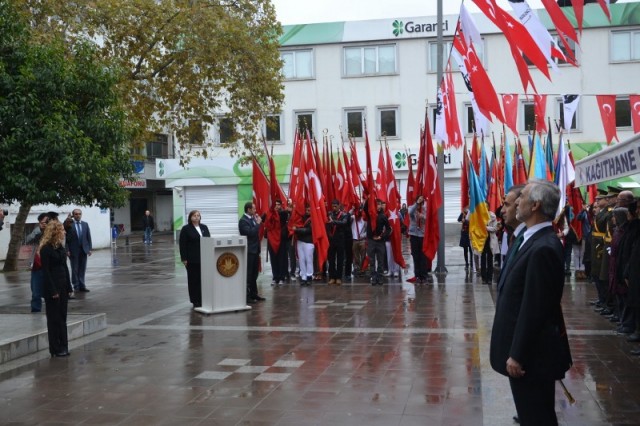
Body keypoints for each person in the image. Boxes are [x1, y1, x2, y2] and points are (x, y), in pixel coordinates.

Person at [490, 179, 572, 426]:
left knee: (537, 417)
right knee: (530, 414)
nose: (517, 202)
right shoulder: (528, 237)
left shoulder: (544, 247)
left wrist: (517, 354)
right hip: (526, 354)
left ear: (535, 204)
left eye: (522, 196)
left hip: (531, 358)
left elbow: (535, 308)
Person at [40, 221, 73, 358]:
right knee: (54, 319)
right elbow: (46, 272)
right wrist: (53, 290)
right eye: (62, 230)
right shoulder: (46, 249)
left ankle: (64, 345)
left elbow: (65, 267)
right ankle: (55, 348)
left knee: (62, 317)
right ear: (55, 232)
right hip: (52, 288)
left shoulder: (60, 247)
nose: (65, 232)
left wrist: (69, 286)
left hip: (63, 285)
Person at [179, 210, 211, 309]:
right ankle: (195, 300)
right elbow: (182, 245)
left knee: (203, 279)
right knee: (194, 280)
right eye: (194, 216)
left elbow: (209, 240)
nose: (197, 217)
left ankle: (202, 298)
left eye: (198, 216)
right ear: (190, 217)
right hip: (192, 259)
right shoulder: (186, 229)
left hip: (204, 258)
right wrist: (184, 259)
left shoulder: (204, 227)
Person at [239, 202, 266, 303]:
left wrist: (257, 221)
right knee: (249, 274)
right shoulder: (243, 221)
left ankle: (254, 294)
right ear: (249, 210)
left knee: (255, 274)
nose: (255, 210)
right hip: (249, 250)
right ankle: (247, 296)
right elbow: (250, 233)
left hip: (255, 250)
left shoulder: (252, 219)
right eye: (254, 209)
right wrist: (258, 223)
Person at [26, 213, 50, 312]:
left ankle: (52, 309)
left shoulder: (53, 232)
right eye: (43, 222)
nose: (45, 225)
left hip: (50, 265)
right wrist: (38, 230)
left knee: (51, 290)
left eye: (47, 222)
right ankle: (36, 309)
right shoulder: (36, 231)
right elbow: (27, 240)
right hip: (38, 265)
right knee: (36, 291)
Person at [365, 198, 391, 286]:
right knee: (372, 260)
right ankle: (373, 276)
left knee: (380, 260)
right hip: (371, 240)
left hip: (380, 241)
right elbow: (365, 208)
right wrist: (368, 199)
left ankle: (380, 276)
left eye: (380, 204)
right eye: (377, 204)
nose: (378, 206)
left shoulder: (383, 216)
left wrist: (382, 236)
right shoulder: (370, 214)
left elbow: (388, 229)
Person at [66, 209, 92, 293]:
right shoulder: (69, 224)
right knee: (75, 269)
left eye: (79, 214)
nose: (78, 215)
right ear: (73, 215)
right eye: (76, 214)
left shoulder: (85, 224)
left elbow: (88, 237)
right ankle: (76, 286)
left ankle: (82, 285)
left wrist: (89, 249)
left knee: (82, 268)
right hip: (73, 250)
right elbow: (66, 239)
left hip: (83, 250)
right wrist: (67, 250)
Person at [265, 199, 290, 286]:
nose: (276, 206)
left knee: (281, 259)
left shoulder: (283, 213)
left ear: (281, 205)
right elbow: (263, 218)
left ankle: (281, 277)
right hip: (272, 240)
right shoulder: (269, 214)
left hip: (281, 240)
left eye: (278, 204)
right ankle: (275, 277)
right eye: (275, 204)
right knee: (273, 259)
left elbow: (283, 214)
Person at [326, 200, 348, 285]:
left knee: (340, 259)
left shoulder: (344, 214)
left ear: (339, 206)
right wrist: (329, 235)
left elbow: (344, 223)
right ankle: (332, 277)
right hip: (331, 240)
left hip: (340, 240)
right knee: (331, 259)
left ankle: (339, 277)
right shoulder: (330, 214)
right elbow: (327, 225)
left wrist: (334, 222)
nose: (334, 208)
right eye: (333, 206)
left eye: (335, 206)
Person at [408, 195, 429, 284]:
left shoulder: (425, 209)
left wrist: (422, 217)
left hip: (422, 236)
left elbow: (429, 219)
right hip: (414, 235)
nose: (420, 203)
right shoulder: (413, 208)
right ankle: (417, 276)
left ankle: (423, 276)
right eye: (419, 201)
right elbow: (410, 212)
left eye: (421, 201)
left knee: (423, 257)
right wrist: (417, 204)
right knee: (415, 256)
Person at [292, 205, 314, 285]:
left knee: (309, 259)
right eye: (307, 209)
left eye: (309, 209)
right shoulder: (300, 217)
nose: (308, 210)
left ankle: (309, 276)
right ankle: (303, 276)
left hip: (309, 242)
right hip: (300, 241)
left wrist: (297, 230)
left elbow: (309, 230)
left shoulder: (313, 218)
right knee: (301, 259)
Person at [350, 208, 367, 276]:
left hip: (362, 240)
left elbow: (368, 230)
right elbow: (347, 216)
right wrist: (352, 209)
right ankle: (356, 268)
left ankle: (362, 268)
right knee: (355, 256)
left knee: (363, 255)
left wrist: (363, 235)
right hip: (354, 240)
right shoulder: (353, 218)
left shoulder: (364, 219)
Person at [458, 206, 472, 270]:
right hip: (464, 234)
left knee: (471, 250)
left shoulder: (471, 214)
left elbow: (471, 223)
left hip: (470, 233)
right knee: (465, 250)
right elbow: (458, 219)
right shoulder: (463, 214)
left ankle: (472, 263)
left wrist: (465, 221)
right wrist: (462, 213)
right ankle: (466, 263)